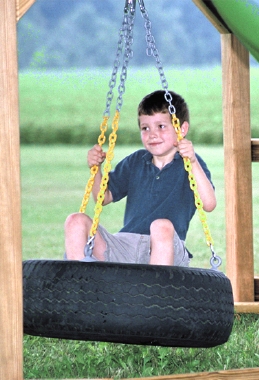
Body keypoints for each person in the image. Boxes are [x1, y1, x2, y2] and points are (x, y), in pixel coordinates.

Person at [64, 90, 216, 266]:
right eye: (145, 128)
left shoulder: (190, 165)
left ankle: (155, 291)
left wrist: (193, 160)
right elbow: (102, 198)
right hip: (125, 246)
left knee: (161, 226)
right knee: (75, 221)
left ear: (182, 129)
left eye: (161, 126)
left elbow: (209, 203)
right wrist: (95, 168)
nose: (152, 134)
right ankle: (79, 285)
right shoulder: (136, 161)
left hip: (167, 248)